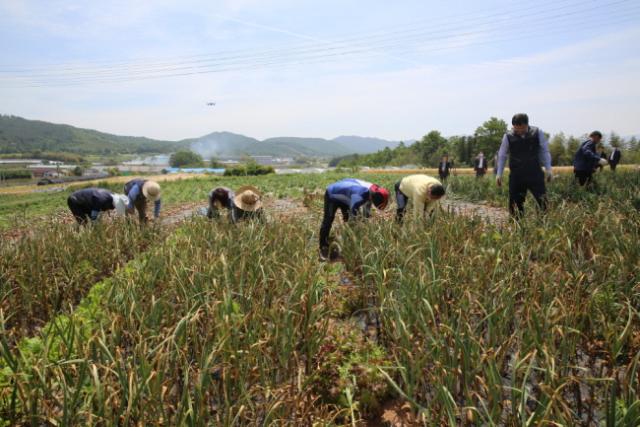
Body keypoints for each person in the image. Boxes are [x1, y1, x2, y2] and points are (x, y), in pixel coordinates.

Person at [496, 113, 553, 217]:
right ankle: (517, 224)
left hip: (535, 173)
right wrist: (499, 174)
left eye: (521, 128)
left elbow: (544, 151)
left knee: (542, 200)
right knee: (515, 204)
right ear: (513, 126)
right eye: (516, 129)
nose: (519, 131)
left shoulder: (537, 132)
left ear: (527, 125)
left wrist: (548, 169)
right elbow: (502, 155)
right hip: (517, 175)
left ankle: (543, 222)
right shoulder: (508, 136)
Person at [319, 178, 389, 259]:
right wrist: (355, 236)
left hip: (346, 193)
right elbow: (353, 218)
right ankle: (323, 247)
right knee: (328, 220)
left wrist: (365, 229)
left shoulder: (373, 191)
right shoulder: (359, 196)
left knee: (348, 218)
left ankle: (344, 243)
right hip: (332, 194)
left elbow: (366, 214)